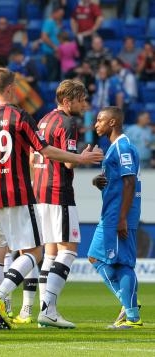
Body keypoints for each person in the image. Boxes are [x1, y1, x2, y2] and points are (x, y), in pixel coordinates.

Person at [0, 68, 103, 330]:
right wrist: (80, 158)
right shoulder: (22, 116)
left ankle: (9, 315)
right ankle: (6, 296)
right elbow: (44, 151)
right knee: (41, 251)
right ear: (10, 89)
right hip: (26, 192)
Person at [32, 79, 89, 328]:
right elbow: (69, 163)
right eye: (81, 100)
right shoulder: (68, 123)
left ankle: (45, 311)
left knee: (51, 253)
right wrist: (84, 157)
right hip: (58, 191)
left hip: (39, 191)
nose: (84, 105)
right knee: (69, 250)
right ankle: (48, 309)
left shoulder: (44, 120)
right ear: (68, 101)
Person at [89, 106, 142, 329]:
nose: (96, 124)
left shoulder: (123, 147)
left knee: (123, 263)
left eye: (100, 120)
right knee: (95, 257)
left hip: (119, 215)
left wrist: (122, 218)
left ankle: (132, 316)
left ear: (112, 122)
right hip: (111, 212)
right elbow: (119, 181)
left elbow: (129, 182)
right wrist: (99, 182)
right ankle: (128, 303)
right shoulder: (113, 148)